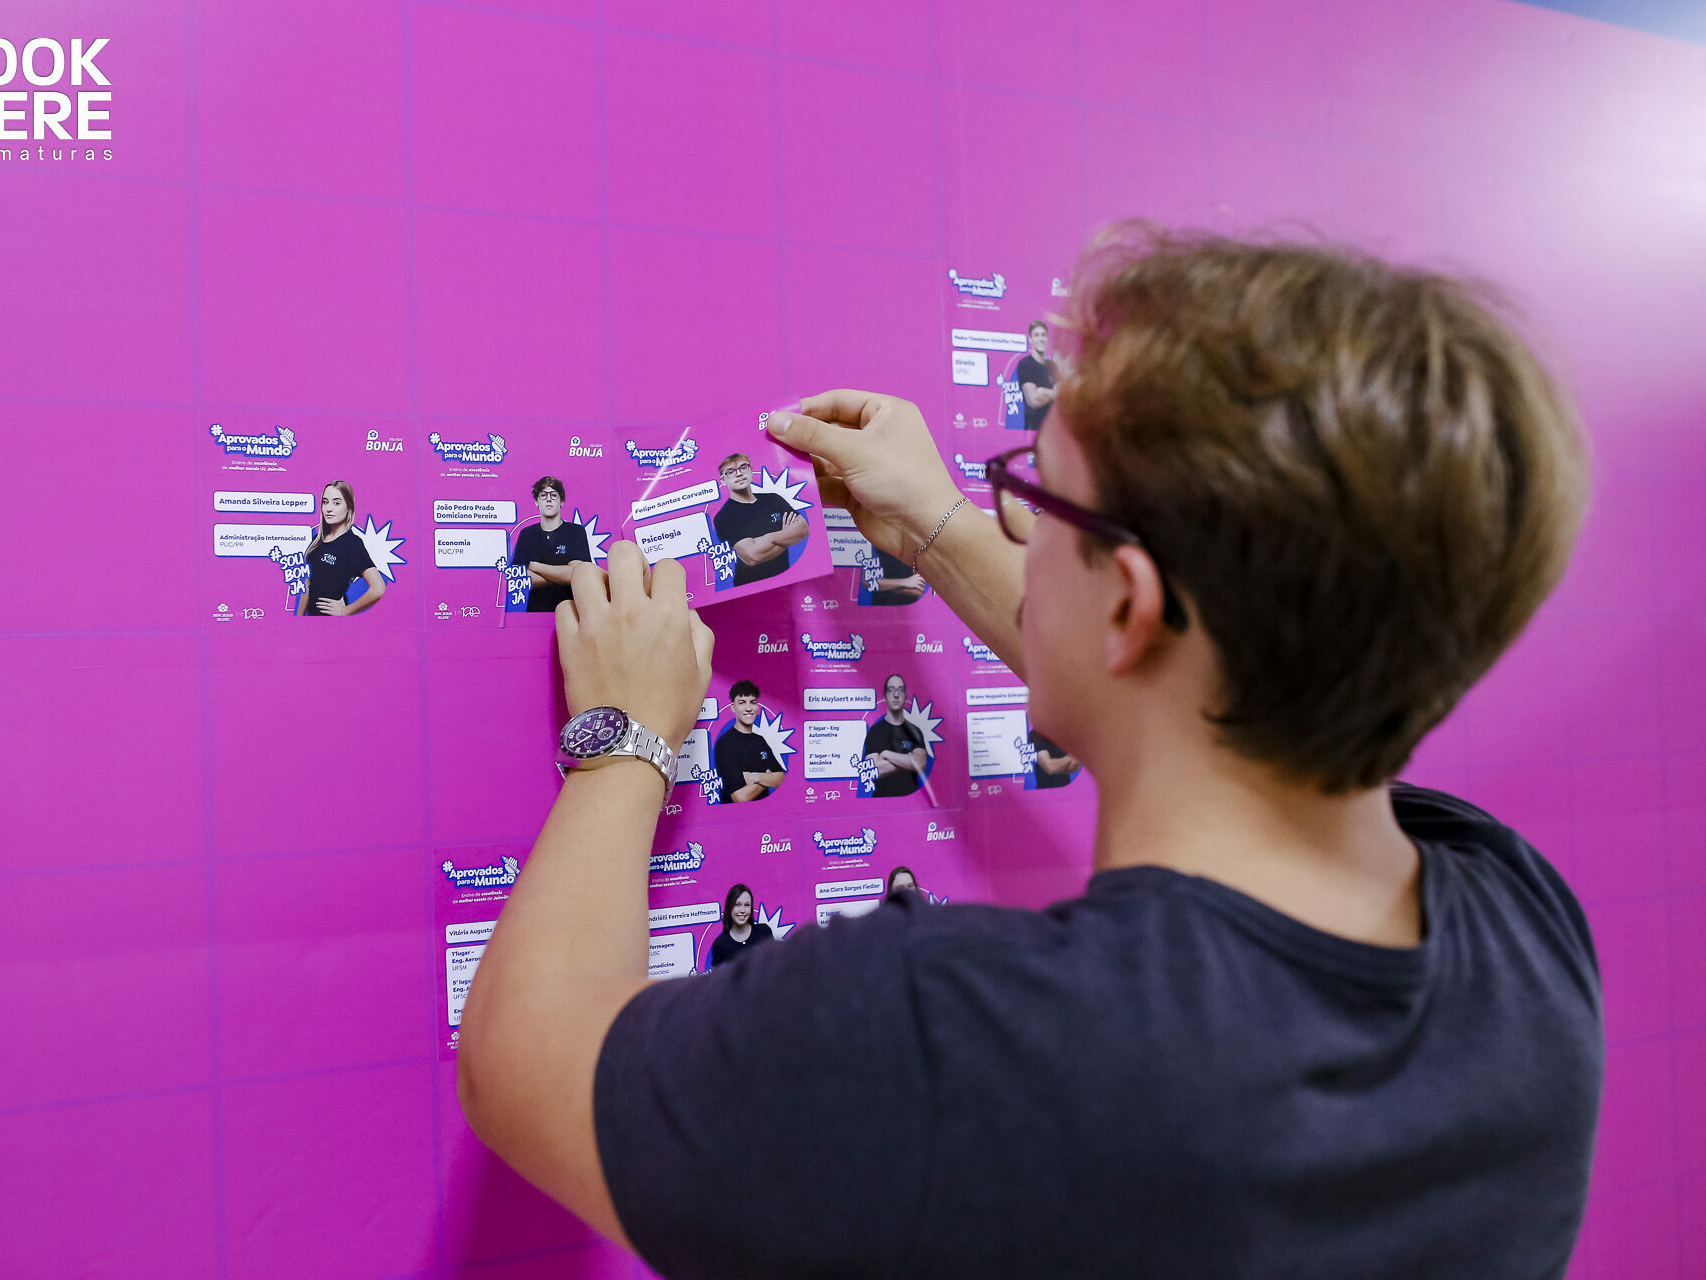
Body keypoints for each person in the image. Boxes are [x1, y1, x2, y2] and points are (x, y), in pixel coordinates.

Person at [457, 228, 1599, 1279]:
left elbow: (523, 1055)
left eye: (1038, 490)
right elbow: (1218, 695)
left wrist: (625, 739)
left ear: (1130, 605)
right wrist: (938, 524)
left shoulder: (959, 1034)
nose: (1012, 520)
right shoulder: (1521, 932)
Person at [711, 452, 806, 586]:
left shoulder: (773, 499)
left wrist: (768, 538)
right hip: (750, 586)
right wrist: (786, 536)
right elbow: (753, 556)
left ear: (751, 470)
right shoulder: (724, 517)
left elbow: (803, 529)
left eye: (743, 467)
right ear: (723, 480)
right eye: (731, 471)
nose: (739, 474)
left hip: (786, 580)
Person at [298, 481, 384, 616]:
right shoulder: (317, 539)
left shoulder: (352, 544)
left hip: (332, 621)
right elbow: (309, 583)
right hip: (311, 619)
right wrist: (299, 618)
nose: (329, 509)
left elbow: (378, 588)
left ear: (349, 507)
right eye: (325, 502)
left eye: (336, 503)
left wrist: (345, 610)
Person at [511, 476, 591, 612]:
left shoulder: (576, 532)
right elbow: (520, 579)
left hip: (571, 611)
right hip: (536, 611)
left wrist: (534, 566)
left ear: (562, 501)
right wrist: (562, 573)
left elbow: (577, 574)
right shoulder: (527, 534)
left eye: (554, 495)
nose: (548, 499)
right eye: (543, 495)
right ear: (536, 501)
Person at [709, 680, 784, 804]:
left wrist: (754, 777)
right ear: (733, 707)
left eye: (753, 702)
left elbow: (780, 778)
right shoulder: (725, 744)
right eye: (742, 702)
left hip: (764, 811)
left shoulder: (760, 740)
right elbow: (740, 797)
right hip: (736, 814)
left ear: (757, 707)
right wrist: (768, 778)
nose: (748, 708)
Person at [861, 674, 927, 797]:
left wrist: (887, 754)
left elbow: (919, 763)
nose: (896, 695)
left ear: (905, 695)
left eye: (900, 690)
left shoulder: (915, 731)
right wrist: (908, 760)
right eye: (891, 690)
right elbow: (873, 770)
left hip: (911, 802)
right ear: (885, 696)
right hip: (883, 802)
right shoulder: (875, 731)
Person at [708, 883, 773, 969]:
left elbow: (775, 964)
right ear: (729, 907)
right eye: (737, 905)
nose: (742, 910)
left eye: (747, 905)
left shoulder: (764, 931)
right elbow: (716, 975)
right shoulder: (720, 944)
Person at [1010, 319, 1057, 431]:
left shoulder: (1053, 366)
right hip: (1033, 431)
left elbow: (1060, 396)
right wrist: (1052, 394)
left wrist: (1042, 391)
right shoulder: (1025, 364)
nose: (1041, 339)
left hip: (1052, 431)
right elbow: (1033, 400)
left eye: (1043, 335)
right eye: (1036, 335)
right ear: (1030, 339)